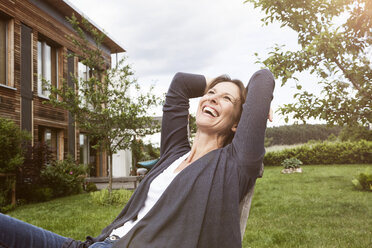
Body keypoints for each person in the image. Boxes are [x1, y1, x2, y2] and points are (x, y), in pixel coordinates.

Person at [0, 69, 275, 248]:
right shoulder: (173, 153)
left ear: (238, 124)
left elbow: (263, 79)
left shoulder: (236, 164)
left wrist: (249, 99)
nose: (212, 99)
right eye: (210, 93)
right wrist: (219, 84)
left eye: (226, 98)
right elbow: (180, 83)